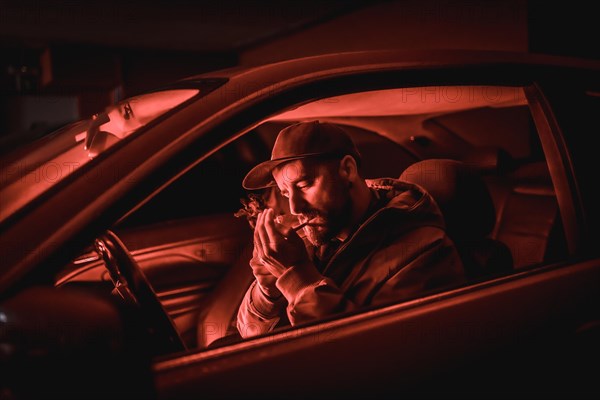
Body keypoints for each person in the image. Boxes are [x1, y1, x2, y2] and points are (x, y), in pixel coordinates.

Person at [237, 120, 465, 338]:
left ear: (347, 169)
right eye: (286, 193)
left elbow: (367, 353)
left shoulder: (425, 251)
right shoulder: (310, 238)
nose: (295, 207)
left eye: (304, 185)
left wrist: (298, 278)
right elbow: (250, 334)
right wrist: (268, 293)